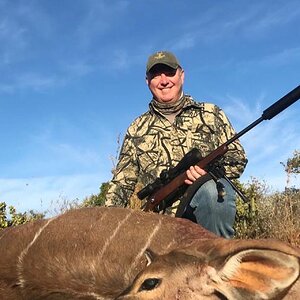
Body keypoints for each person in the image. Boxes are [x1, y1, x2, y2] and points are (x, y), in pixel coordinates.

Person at [105, 51, 247, 238]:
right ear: (147, 81)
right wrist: (103, 224)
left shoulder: (211, 113)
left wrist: (206, 174)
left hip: (208, 213)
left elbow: (237, 159)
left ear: (182, 75)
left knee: (212, 193)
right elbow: (122, 184)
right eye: (156, 74)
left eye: (170, 72)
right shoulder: (136, 128)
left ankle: (219, 259)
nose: (164, 80)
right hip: (160, 222)